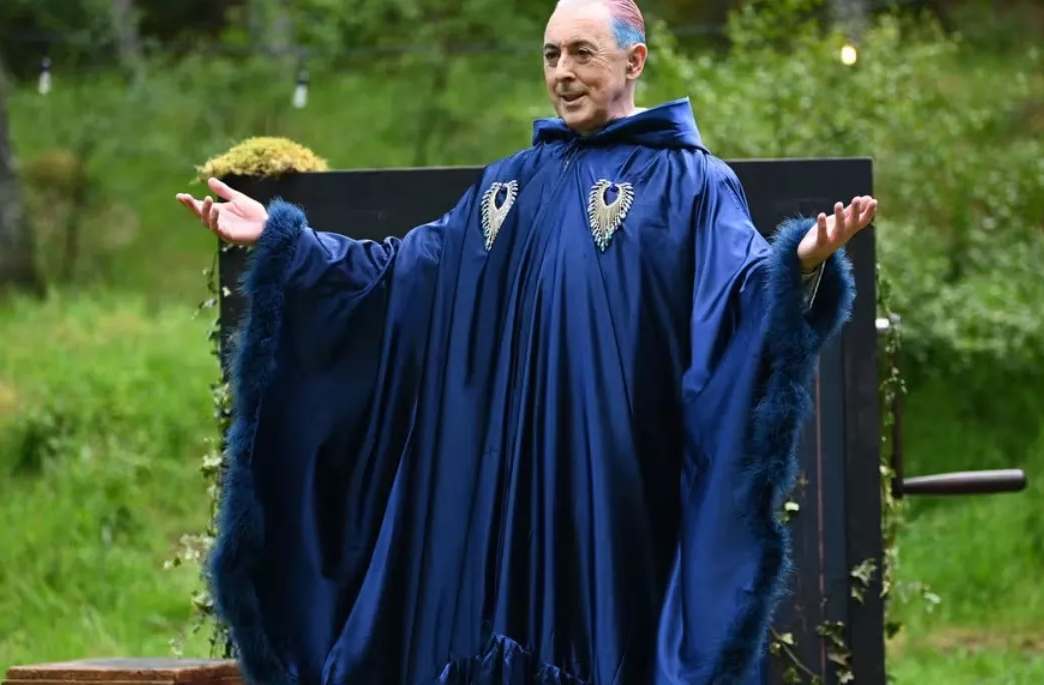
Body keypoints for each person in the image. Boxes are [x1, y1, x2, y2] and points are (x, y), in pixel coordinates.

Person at [176, 0, 877, 683]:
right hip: (494, 485)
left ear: (634, 61)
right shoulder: (507, 185)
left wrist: (798, 262)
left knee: (600, 635)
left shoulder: (691, 183)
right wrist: (287, 240)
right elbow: (403, 273)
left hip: (609, 484)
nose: (562, 72)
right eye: (551, 54)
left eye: (582, 53)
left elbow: (738, 293)